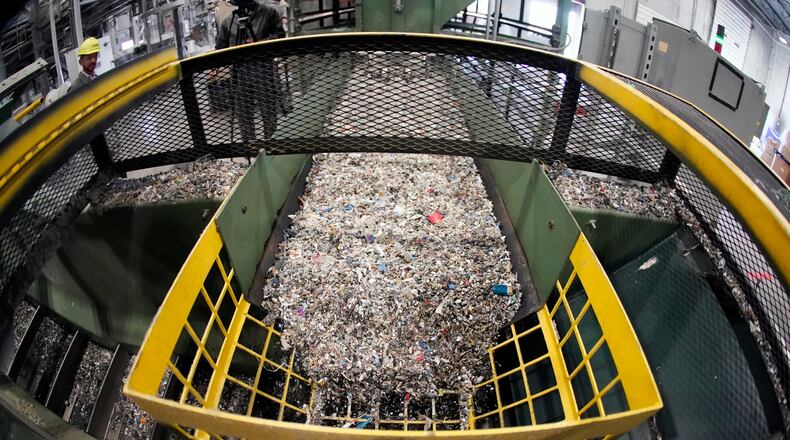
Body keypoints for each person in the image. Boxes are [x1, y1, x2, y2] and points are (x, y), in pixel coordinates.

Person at [216, 0, 284, 142]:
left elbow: (280, 36)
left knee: (268, 111)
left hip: (263, 68)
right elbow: (219, 49)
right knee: (243, 114)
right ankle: (250, 148)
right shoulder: (229, 22)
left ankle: (271, 146)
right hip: (239, 71)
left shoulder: (268, 12)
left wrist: (258, 44)